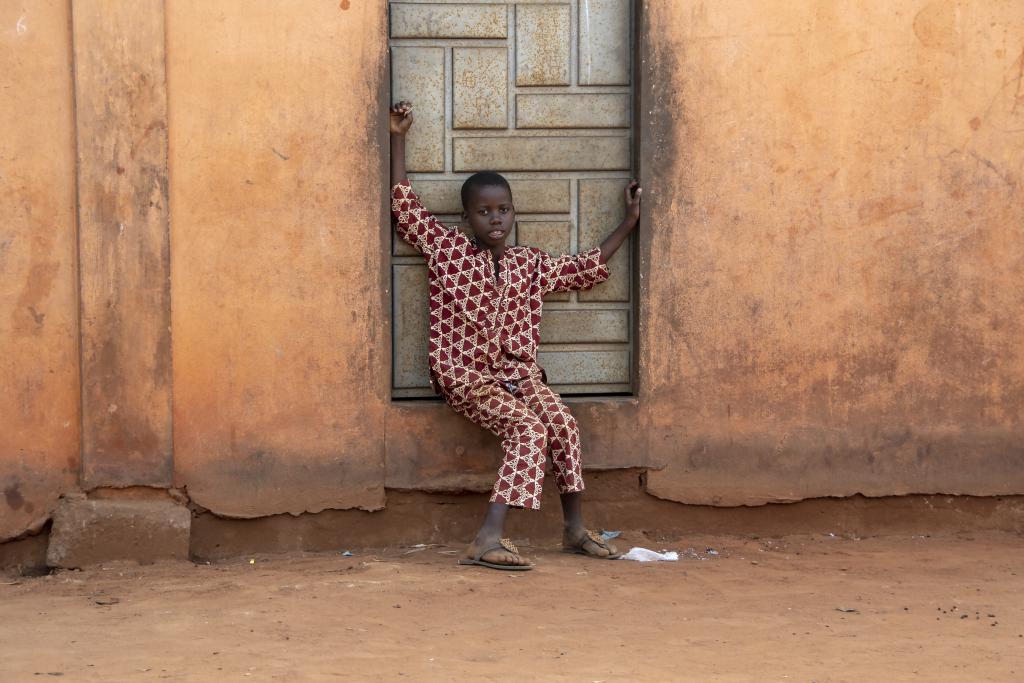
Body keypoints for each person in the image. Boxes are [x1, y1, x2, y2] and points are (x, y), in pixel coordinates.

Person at [389, 101, 642, 570]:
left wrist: (628, 222)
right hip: (466, 375)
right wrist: (398, 137)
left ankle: (573, 529)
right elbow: (404, 204)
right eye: (484, 212)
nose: (496, 219)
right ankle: (486, 538)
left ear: (513, 213)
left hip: (518, 374)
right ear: (467, 218)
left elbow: (584, 269)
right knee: (527, 429)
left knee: (561, 423)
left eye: (503, 209)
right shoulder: (446, 249)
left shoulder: (529, 263)